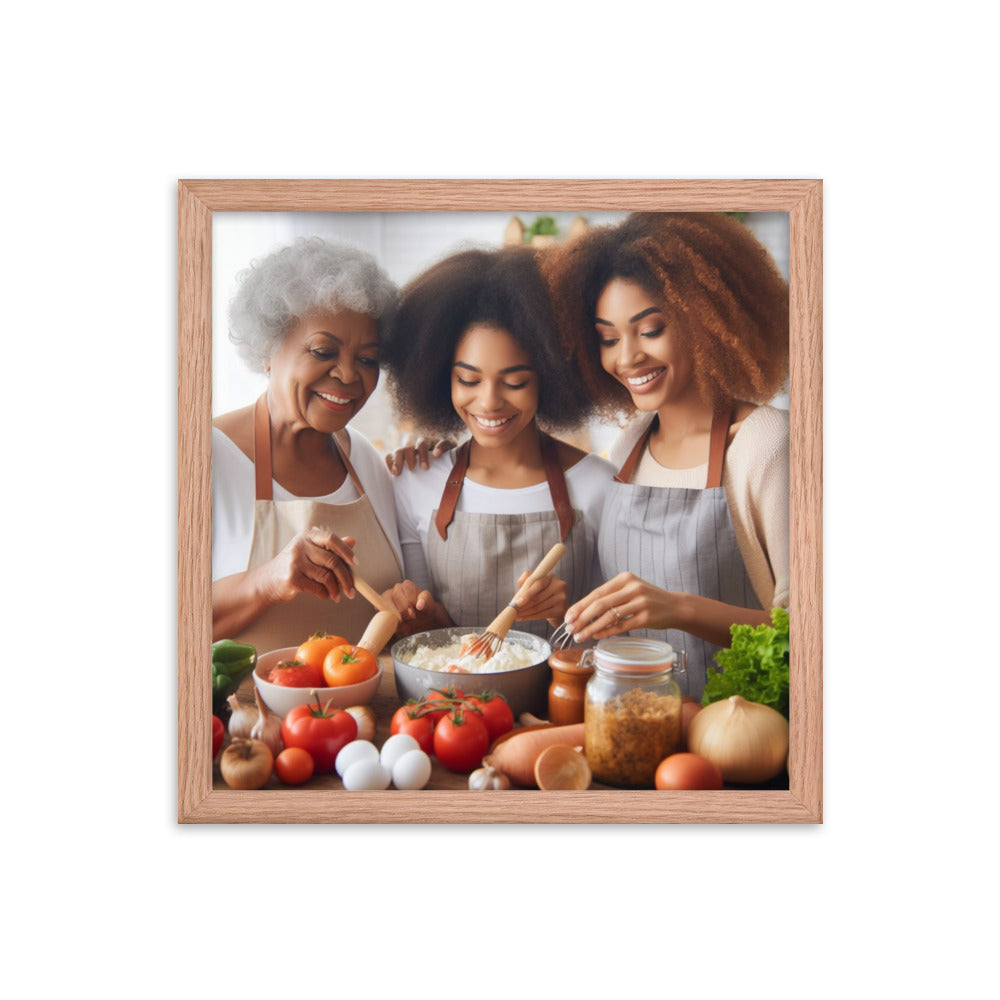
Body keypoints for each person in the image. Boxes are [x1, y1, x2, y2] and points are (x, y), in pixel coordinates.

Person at [543, 212, 790, 698]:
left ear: (708, 320)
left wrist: (679, 609)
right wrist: (562, 608)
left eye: (650, 329)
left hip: (741, 738)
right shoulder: (630, 442)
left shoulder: (766, 444)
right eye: (608, 339)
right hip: (638, 724)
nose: (626, 357)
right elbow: (626, 610)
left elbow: (810, 633)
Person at [380, 245, 615, 639]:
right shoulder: (416, 480)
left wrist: (564, 616)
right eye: (468, 380)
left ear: (551, 378)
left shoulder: (600, 485)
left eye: (515, 382)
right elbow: (426, 638)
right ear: (440, 377)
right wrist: (419, 612)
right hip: (453, 699)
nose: (489, 402)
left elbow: (618, 643)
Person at [212, 236, 404, 649]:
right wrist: (266, 581)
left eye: (368, 359)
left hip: (366, 712)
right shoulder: (204, 458)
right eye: (322, 350)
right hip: (241, 713)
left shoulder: (367, 461)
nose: (349, 375)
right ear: (267, 349)